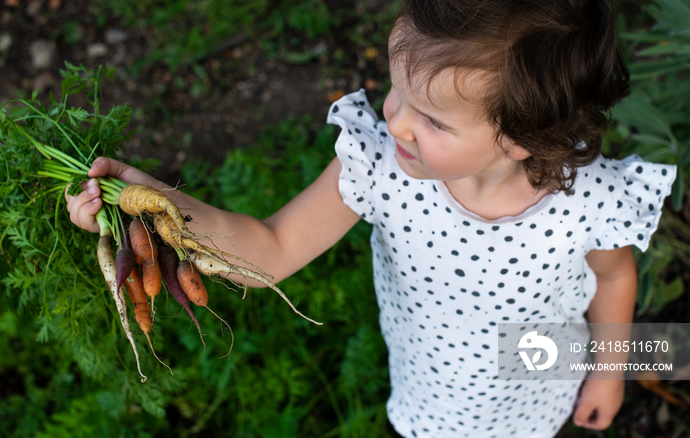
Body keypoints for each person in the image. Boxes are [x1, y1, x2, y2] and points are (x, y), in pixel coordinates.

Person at [66, 0, 677, 436]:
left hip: (542, 382)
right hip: (431, 388)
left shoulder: (587, 199)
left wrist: (608, 375)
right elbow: (272, 248)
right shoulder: (383, 170)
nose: (396, 122)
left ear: (524, 136)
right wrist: (152, 198)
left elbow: (616, 280)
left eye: (432, 120)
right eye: (396, 91)